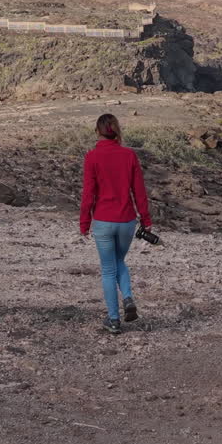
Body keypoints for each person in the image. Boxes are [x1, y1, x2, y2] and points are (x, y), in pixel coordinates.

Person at [79, 113, 154, 334]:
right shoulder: (129, 155)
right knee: (119, 261)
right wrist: (146, 219)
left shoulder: (92, 157)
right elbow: (139, 191)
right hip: (126, 221)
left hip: (103, 220)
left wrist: (84, 223)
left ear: (97, 131)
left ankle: (113, 320)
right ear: (116, 131)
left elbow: (88, 194)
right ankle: (128, 296)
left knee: (108, 269)